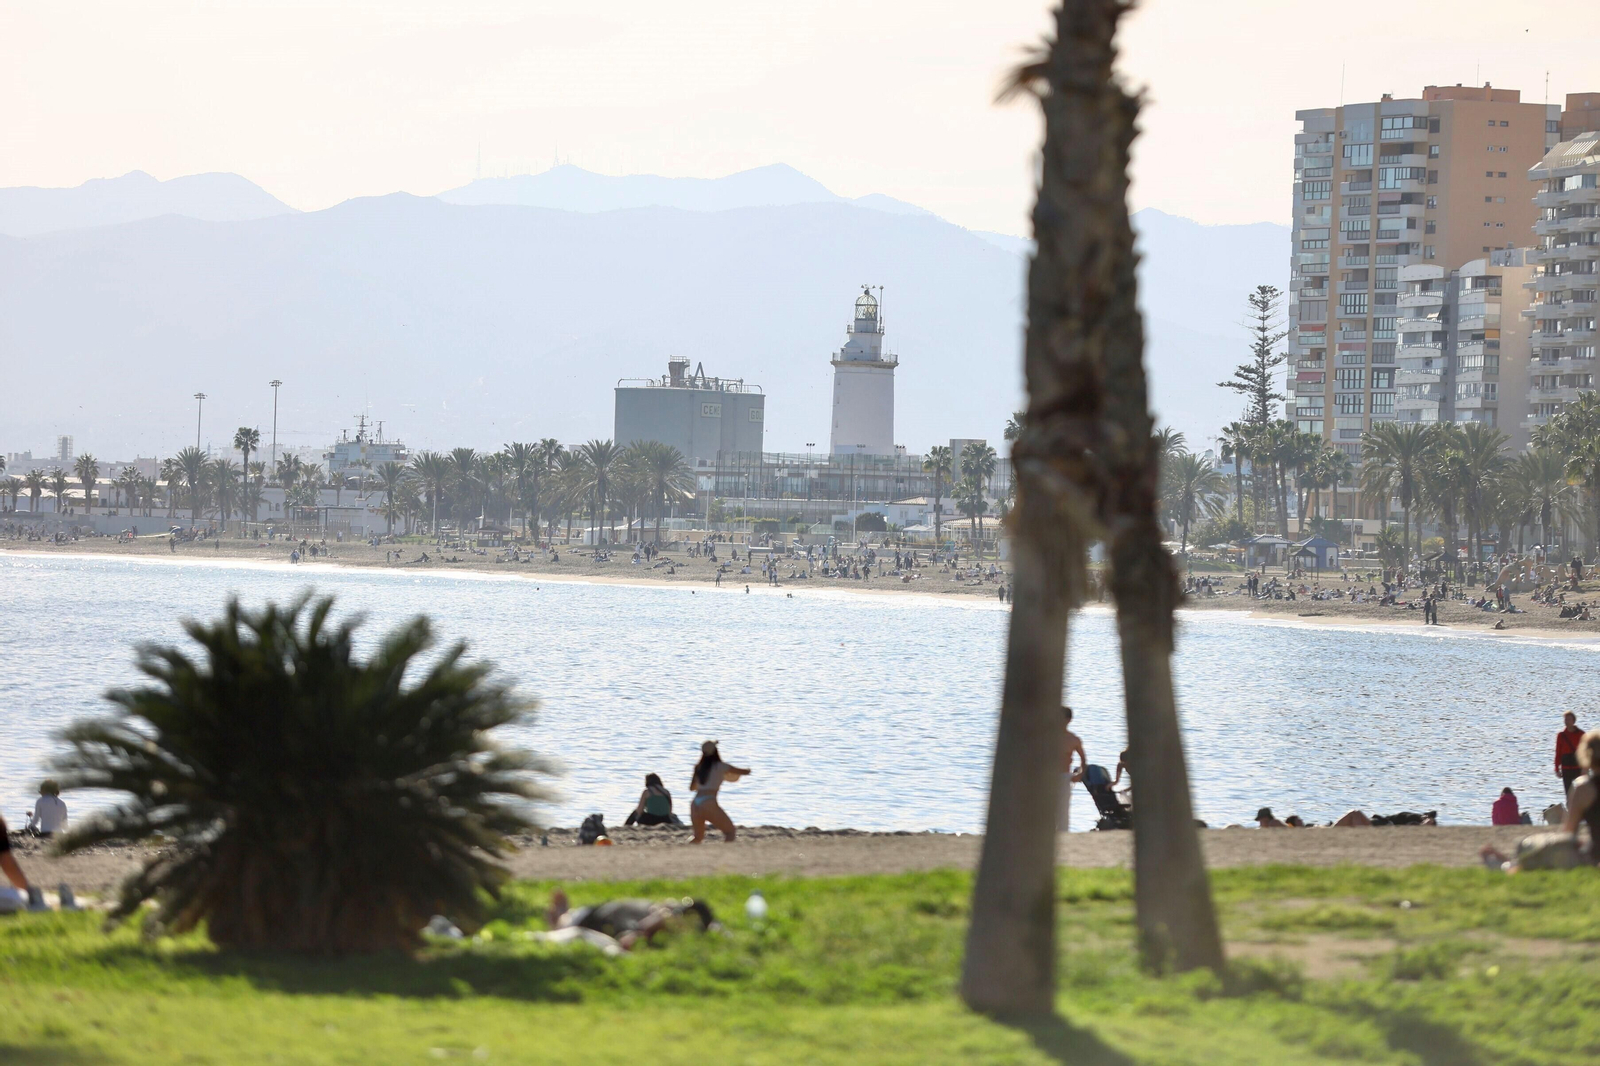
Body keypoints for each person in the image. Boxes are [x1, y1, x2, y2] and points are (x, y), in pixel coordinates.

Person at [1483, 728, 1600, 872]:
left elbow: (1569, 834)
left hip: (1595, 857)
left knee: (1541, 848)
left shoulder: (1584, 788)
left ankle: (1508, 867)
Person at [544, 888, 718, 951]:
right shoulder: (661, 911)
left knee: (565, 923)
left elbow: (627, 942)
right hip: (599, 912)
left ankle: (560, 916)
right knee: (570, 918)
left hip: (593, 917)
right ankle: (562, 914)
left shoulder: (639, 928)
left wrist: (652, 926)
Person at [688, 741, 750, 844]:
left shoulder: (698, 767)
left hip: (695, 803)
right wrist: (748, 770)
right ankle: (725, 856)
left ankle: (684, 852)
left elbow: (692, 788)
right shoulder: (720, 766)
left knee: (698, 837)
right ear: (716, 751)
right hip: (708, 802)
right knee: (730, 832)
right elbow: (742, 772)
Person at [1059, 707, 1086, 833]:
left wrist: (1079, 775)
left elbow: (1083, 760)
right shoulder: (1046, 737)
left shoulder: (1073, 739)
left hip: (1064, 777)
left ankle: (1063, 836)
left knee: (1063, 810)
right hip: (1046, 777)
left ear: (1068, 720)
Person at [1556, 712, 1585, 797]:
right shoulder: (1561, 735)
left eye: (1569, 719)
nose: (1567, 721)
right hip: (1566, 769)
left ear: (1573, 721)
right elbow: (1558, 753)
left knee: (1581, 794)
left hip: (1578, 768)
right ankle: (1570, 809)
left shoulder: (1581, 734)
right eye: (1565, 719)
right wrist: (1557, 768)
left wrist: (1585, 768)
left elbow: (1586, 752)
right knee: (1569, 795)